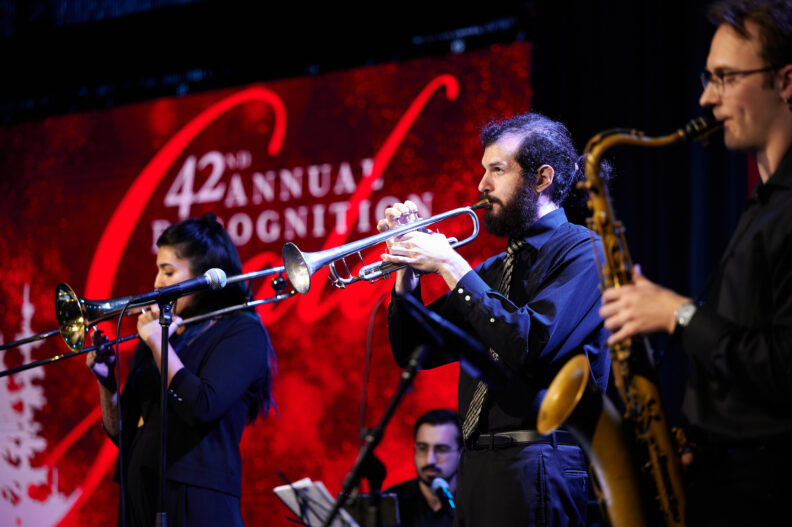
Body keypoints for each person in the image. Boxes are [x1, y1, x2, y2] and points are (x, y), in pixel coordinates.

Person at [599, 1, 792, 525]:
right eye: (709, 78)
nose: (707, 97)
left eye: (726, 78)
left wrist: (677, 314)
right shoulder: (762, 207)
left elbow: (783, 368)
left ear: (785, 81)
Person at [379, 112, 609, 526]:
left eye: (497, 170)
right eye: (484, 170)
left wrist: (450, 265)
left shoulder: (584, 251)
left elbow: (528, 345)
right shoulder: (491, 272)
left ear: (541, 179)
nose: (481, 185)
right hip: (476, 466)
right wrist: (406, 269)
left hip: (538, 461)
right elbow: (413, 349)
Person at [86, 212, 275, 526]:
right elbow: (122, 431)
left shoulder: (241, 331)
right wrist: (106, 383)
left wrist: (158, 343)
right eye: (158, 270)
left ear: (204, 277)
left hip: (195, 499)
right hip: (139, 496)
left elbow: (202, 406)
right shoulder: (166, 334)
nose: (157, 283)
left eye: (168, 271)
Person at [385, 409, 462, 527]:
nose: (430, 460)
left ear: (461, 453)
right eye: (422, 448)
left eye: (441, 450)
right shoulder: (393, 501)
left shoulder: (477, 501)